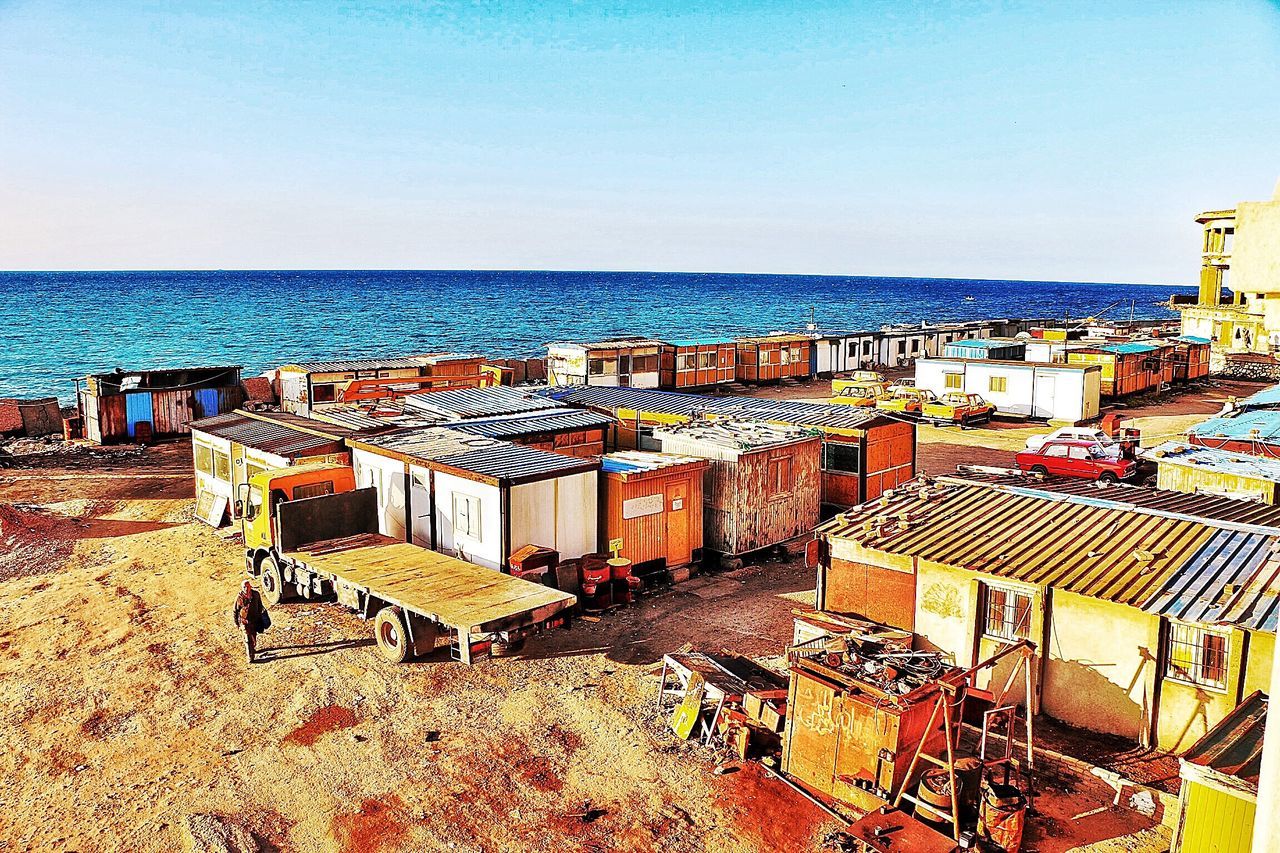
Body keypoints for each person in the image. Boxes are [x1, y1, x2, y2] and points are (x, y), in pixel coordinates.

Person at [232, 579, 269, 663]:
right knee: (247, 639)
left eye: (247, 586)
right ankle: (250, 657)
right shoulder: (239, 597)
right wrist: (237, 623)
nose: (246, 588)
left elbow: (260, 606)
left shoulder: (256, 594)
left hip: (254, 620)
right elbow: (235, 611)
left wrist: (261, 618)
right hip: (245, 622)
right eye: (244, 587)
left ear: (250, 586)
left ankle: (253, 648)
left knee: (253, 637)